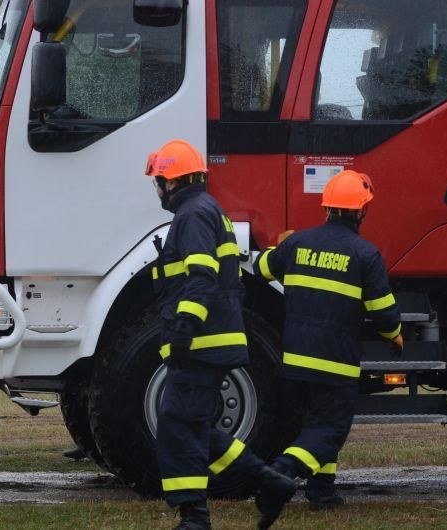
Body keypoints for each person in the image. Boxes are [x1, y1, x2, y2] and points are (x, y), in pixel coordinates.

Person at [146, 139, 296, 530]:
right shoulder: (208, 210)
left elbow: (201, 280)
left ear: (172, 182)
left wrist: (183, 331)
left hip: (200, 344)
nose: (157, 191)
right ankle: (268, 482)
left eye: (158, 181)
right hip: (211, 342)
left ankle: (196, 517)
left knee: (178, 424)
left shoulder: (193, 215)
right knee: (189, 425)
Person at [252, 169, 402, 512]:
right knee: (329, 431)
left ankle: (321, 492)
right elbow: (384, 315)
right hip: (335, 364)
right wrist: (395, 336)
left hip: (295, 361)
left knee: (315, 425)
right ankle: (280, 472)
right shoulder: (366, 255)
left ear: (327, 208)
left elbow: (262, 268)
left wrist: (281, 245)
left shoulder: (298, 243)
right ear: (362, 210)